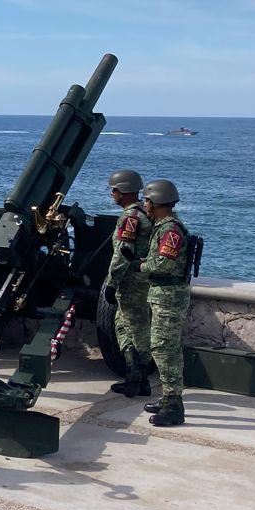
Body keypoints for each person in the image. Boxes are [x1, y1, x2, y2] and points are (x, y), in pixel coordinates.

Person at [141, 179, 192, 428]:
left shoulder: (170, 230)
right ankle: (168, 397)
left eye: (147, 200)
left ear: (157, 202)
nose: (145, 205)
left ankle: (174, 404)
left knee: (164, 348)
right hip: (165, 295)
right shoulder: (164, 226)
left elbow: (164, 264)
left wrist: (140, 265)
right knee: (165, 348)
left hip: (168, 297)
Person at [104, 169, 155, 398]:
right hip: (143, 280)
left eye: (114, 190)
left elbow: (122, 254)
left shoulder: (130, 218)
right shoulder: (146, 213)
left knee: (131, 329)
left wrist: (111, 283)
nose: (112, 194)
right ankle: (138, 377)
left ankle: (137, 377)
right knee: (130, 327)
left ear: (122, 192)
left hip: (132, 282)